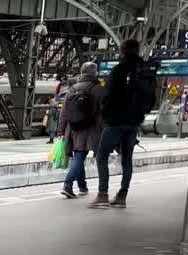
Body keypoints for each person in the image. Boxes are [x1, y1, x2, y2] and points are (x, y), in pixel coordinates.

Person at [91, 39, 154, 209]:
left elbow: (108, 96)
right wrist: (140, 114)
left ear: (124, 50)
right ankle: (122, 196)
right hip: (134, 122)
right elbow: (151, 97)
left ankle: (102, 194)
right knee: (127, 159)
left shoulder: (119, 70)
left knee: (101, 155)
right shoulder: (145, 71)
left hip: (116, 121)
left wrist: (106, 116)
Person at [58, 62, 105, 199]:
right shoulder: (98, 89)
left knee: (80, 154)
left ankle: (82, 186)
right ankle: (67, 185)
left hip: (73, 128)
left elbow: (64, 112)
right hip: (91, 129)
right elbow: (104, 113)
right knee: (79, 156)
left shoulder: (73, 88)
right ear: (93, 73)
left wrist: (61, 130)